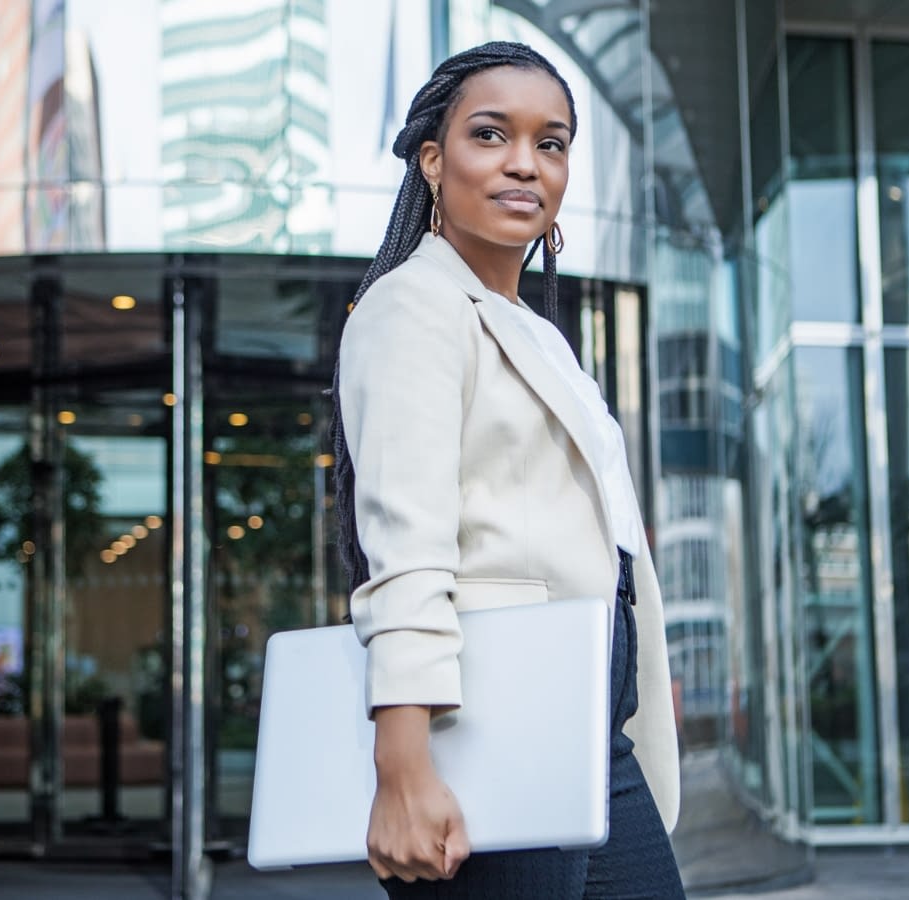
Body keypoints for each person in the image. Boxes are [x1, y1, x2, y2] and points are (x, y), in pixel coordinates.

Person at [331, 42, 685, 899]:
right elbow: (407, 546)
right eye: (490, 135)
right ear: (432, 159)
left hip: (592, 729)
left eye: (551, 142)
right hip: (488, 728)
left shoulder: (535, 331)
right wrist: (402, 766)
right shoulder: (412, 306)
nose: (524, 162)